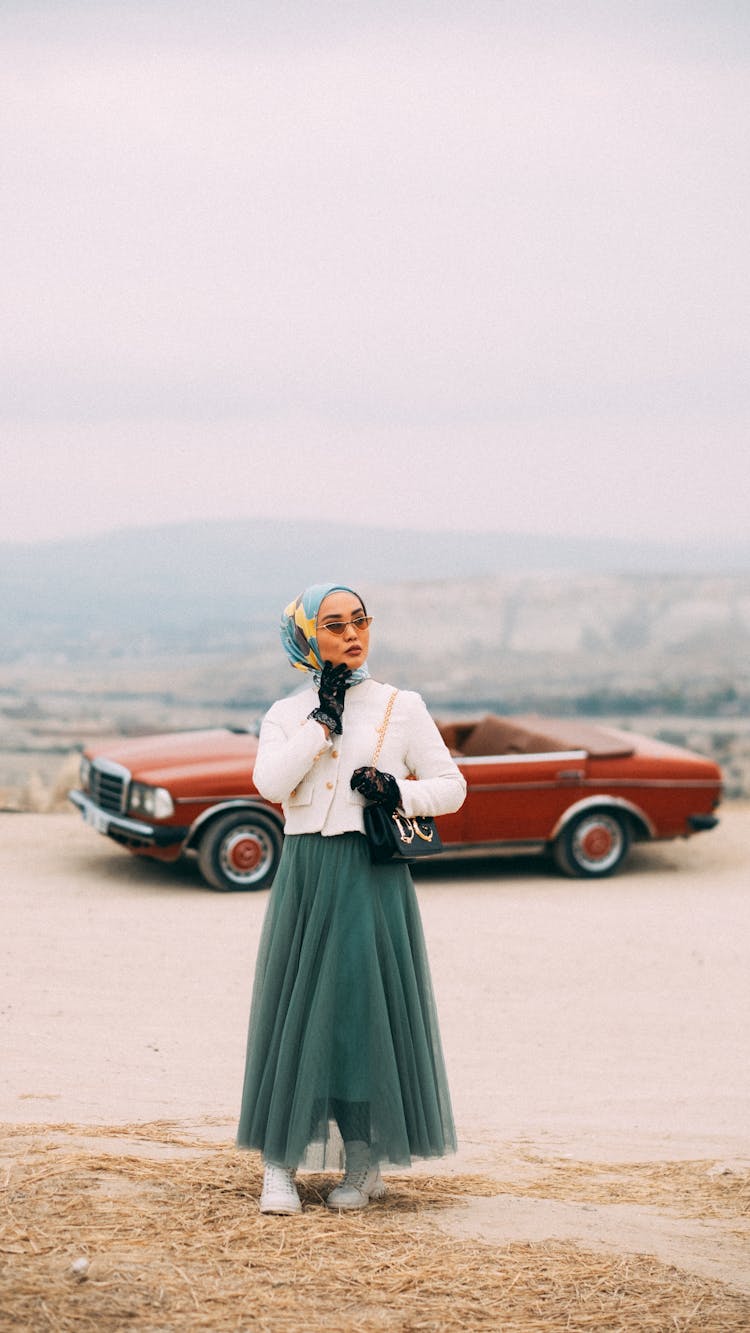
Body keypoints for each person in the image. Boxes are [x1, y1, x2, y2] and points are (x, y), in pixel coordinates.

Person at [237, 582, 466, 1214]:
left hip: (371, 874)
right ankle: (278, 1167)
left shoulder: (401, 705)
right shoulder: (287, 713)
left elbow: (451, 787)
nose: (351, 634)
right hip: (307, 875)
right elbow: (270, 784)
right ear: (308, 637)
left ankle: (364, 1164)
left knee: (362, 1016)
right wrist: (321, 725)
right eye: (333, 625)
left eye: (359, 621)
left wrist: (395, 790)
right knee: (296, 1012)